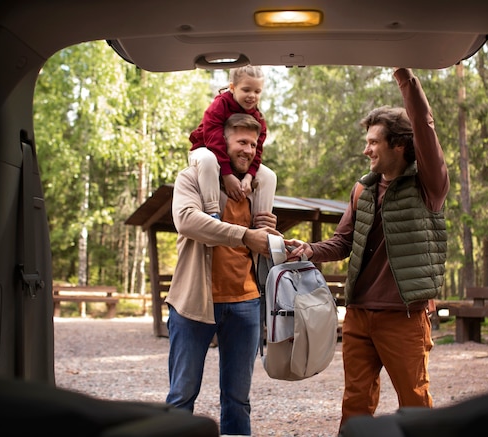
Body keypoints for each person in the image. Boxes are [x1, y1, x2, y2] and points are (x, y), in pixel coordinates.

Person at [285, 67, 449, 430]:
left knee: (415, 403)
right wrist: (309, 249)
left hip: (404, 315)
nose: (366, 149)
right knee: (355, 403)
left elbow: (424, 126)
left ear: (399, 145)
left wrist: (405, 79)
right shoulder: (363, 190)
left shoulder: (428, 185)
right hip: (359, 313)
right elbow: (343, 241)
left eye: (374, 142)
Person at [165, 113, 281, 437]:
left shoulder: (257, 188)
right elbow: (187, 220)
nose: (248, 150)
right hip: (194, 305)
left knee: (237, 400)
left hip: (245, 303)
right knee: (181, 396)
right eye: (241, 142)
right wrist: (244, 235)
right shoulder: (192, 179)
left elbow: (261, 245)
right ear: (223, 142)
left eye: (253, 144)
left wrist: (272, 235)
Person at [188, 65, 276, 220]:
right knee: (208, 159)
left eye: (257, 91)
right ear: (232, 87)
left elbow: (257, 151)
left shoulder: (258, 119)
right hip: (205, 151)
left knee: (268, 176)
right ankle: (212, 212)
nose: (252, 96)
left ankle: (261, 222)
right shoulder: (219, 106)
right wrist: (227, 174)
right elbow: (213, 141)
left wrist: (249, 176)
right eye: (246, 90)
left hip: (236, 161)